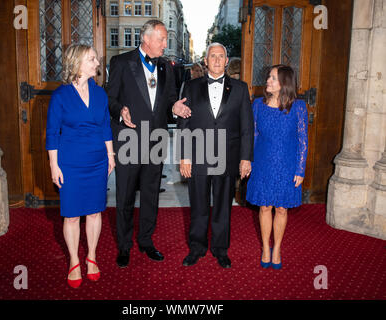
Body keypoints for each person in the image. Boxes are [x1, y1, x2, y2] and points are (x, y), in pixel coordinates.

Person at [106, 20, 190, 268]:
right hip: (129, 138)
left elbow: (171, 98)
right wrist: (120, 111)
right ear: (146, 38)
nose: (166, 44)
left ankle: (145, 240)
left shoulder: (166, 66)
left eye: (165, 39)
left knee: (151, 194)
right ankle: (124, 246)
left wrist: (175, 106)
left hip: (156, 140)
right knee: (125, 195)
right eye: (162, 39)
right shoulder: (121, 62)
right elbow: (110, 98)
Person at [178, 43, 254, 268]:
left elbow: (247, 126)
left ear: (227, 60)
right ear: (205, 60)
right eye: (213, 56)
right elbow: (184, 123)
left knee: (223, 207)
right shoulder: (190, 87)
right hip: (198, 156)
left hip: (228, 157)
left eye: (221, 56)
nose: (218, 60)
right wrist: (184, 156)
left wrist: (245, 157)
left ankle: (221, 250)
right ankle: (197, 248)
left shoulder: (240, 88)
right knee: (198, 206)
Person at [46, 44, 115, 288]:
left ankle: (92, 257)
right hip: (71, 162)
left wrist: (110, 154)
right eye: (92, 59)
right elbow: (53, 133)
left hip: (97, 161)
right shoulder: (61, 95)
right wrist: (54, 165)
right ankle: (74, 260)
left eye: (96, 59)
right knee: (72, 215)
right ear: (77, 63)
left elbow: (106, 126)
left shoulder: (100, 94)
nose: (97, 63)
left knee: (95, 211)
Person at [246, 64, 308, 270]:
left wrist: (300, 169)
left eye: (272, 78)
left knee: (281, 209)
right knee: (264, 206)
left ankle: (278, 248)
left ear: (284, 83)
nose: (268, 81)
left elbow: (303, 140)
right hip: (262, 164)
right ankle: (265, 247)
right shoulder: (257, 105)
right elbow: (253, 136)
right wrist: (249, 162)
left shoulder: (298, 107)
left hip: (287, 165)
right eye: (269, 78)